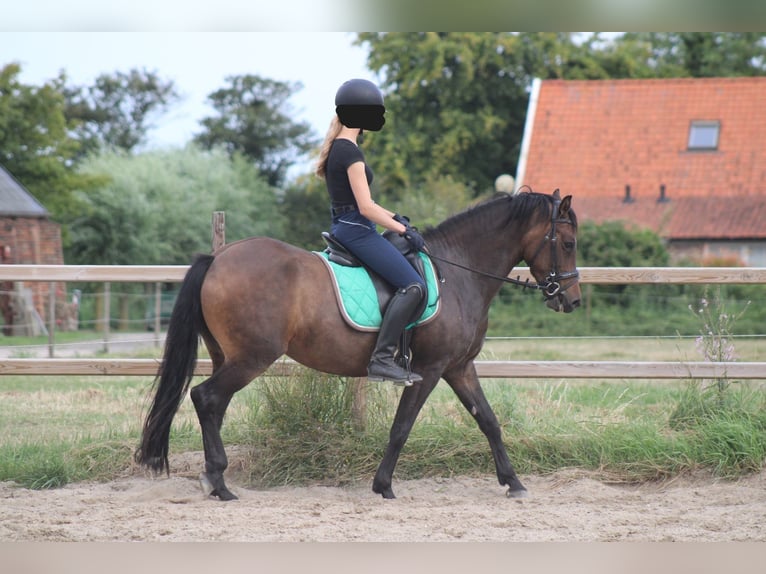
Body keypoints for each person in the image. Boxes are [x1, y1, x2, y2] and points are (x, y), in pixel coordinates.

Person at [316, 78, 426, 385]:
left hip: (348, 226)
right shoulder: (350, 153)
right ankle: (381, 360)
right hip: (357, 231)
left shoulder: (339, 148)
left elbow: (364, 203)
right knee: (413, 286)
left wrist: (395, 217)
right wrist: (403, 230)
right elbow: (365, 208)